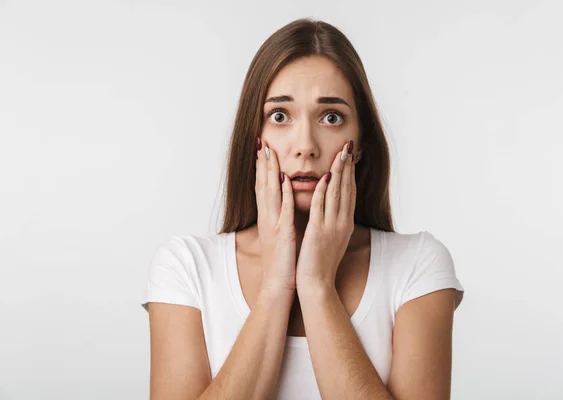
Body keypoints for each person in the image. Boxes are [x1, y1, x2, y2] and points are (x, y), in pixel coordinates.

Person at [141, 17, 465, 400]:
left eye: (331, 117)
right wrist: (277, 285)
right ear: (254, 139)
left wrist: (316, 286)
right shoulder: (187, 267)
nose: (306, 145)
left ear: (359, 143)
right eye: (280, 116)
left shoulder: (418, 264)